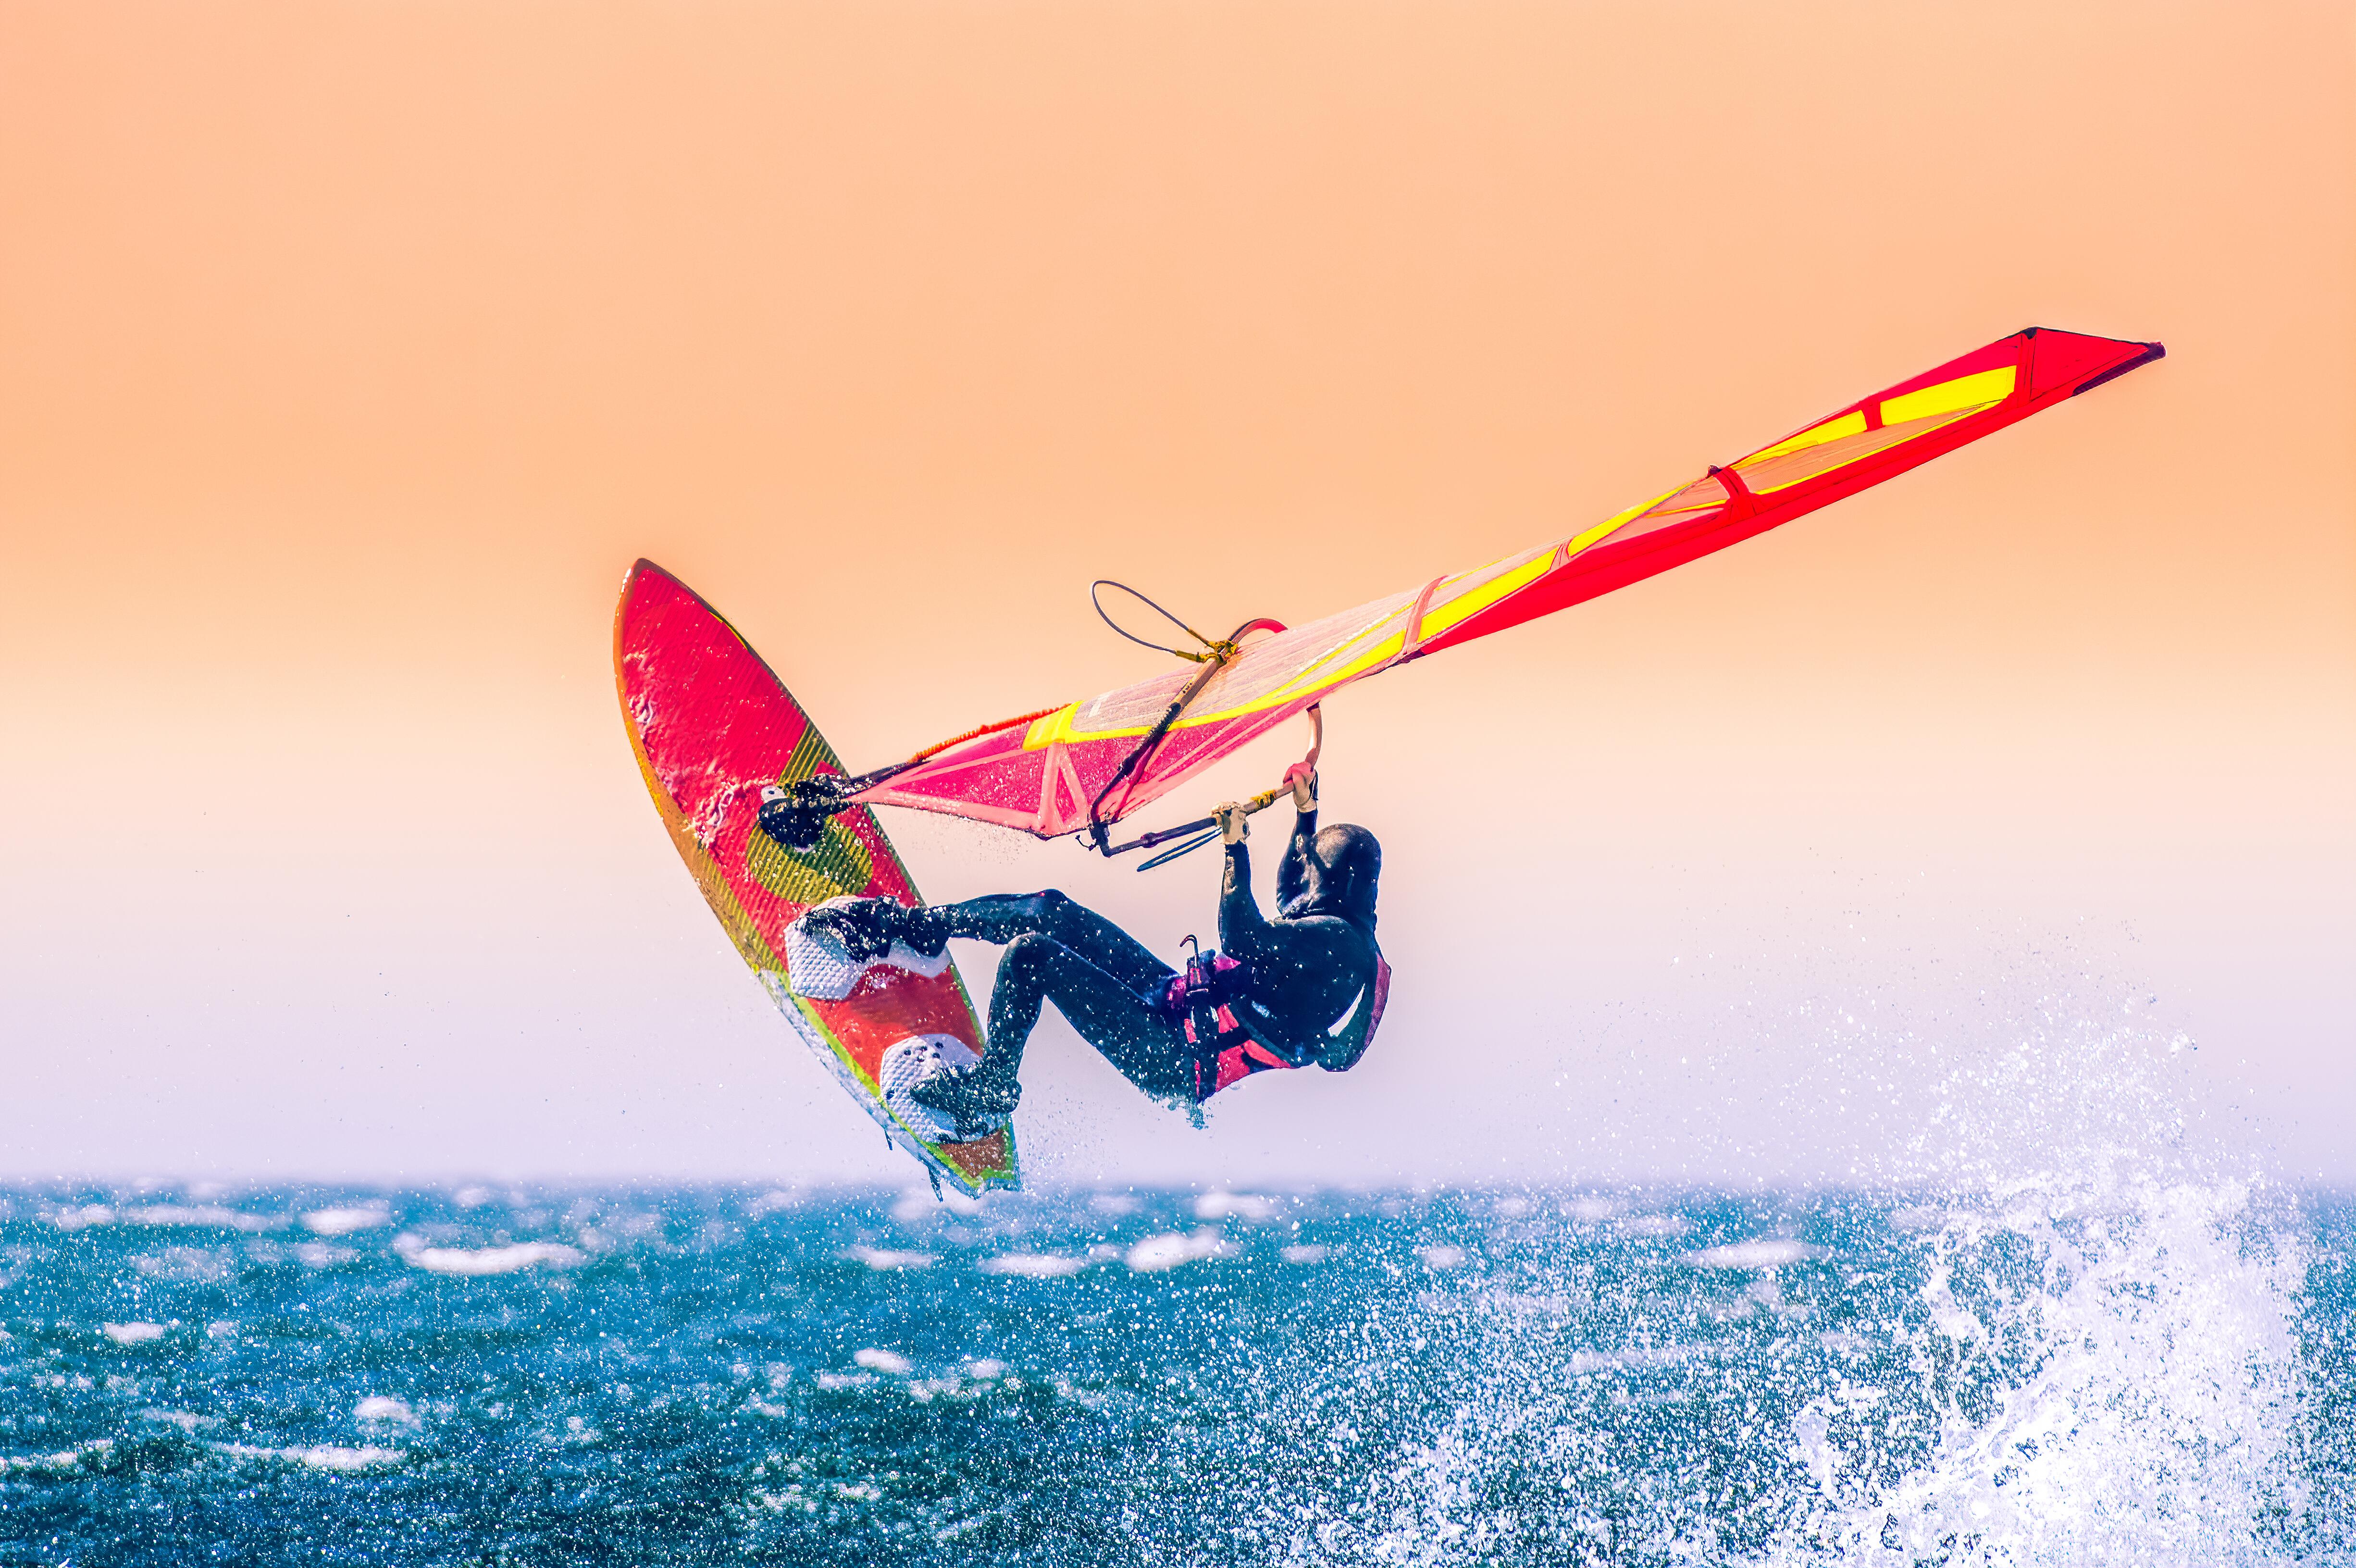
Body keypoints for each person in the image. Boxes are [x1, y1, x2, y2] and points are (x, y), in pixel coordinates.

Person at [799, 769, 1388, 1138]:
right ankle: (920, 927)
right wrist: (1305, 813)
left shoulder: (1341, 945)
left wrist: (1235, 849)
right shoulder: (1336, 921)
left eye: (1315, 862)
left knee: (1033, 955)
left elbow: (1243, 937)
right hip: (1174, 1007)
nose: (1305, 868)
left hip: (1176, 1059)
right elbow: (1293, 892)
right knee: (1049, 909)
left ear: (1336, 882)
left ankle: (993, 1089)